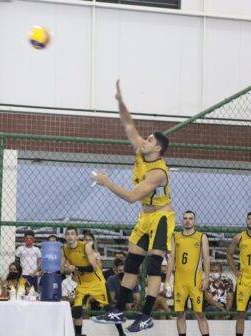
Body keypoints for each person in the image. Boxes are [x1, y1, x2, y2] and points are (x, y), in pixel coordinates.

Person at [92, 80, 175, 333]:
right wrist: (120, 102)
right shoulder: (142, 152)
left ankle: (146, 315)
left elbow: (130, 197)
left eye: (149, 140)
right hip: (144, 217)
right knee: (130, 263)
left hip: (161, 218)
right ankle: (118, 310)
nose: (144, 140)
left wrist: (107, 183)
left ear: (157, 148)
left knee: (152, 266)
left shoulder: (158, 172)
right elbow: (128, 124)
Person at [62, 227, 125, 336]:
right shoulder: (64, 249)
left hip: (96, 282)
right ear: (65, 237)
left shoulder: (85, 246)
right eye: (67, 234)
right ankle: (78, 334)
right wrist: (64, 269)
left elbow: (94, 268)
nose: (70, 236)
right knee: (76, 311)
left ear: (77, 237)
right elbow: (62, 268)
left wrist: (75, 268)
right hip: (82, 284)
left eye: (72, 234)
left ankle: (121, 333)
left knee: (109, 308)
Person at [165, 210, 210, 336]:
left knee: (200, 313)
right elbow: (171, 258)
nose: (188, 220)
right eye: (185, 218)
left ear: (194, 221)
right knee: (180, 314)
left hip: (196, 283)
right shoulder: (175, 236)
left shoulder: (202, 237)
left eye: (190, 218)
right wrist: (167, 280)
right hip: (180, 282)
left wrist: (206, 279)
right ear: (182, 220)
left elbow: (206, 259)